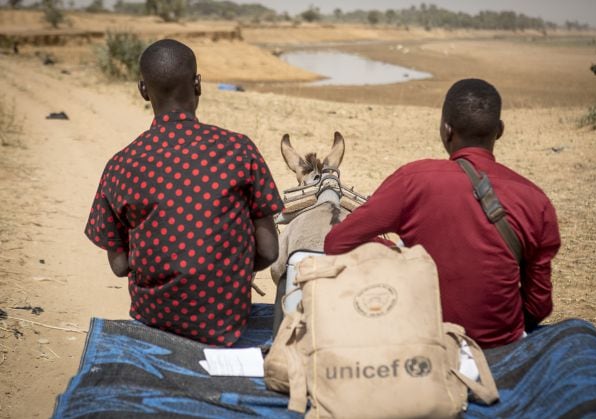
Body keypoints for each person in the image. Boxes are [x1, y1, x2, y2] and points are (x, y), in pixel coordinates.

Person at [324, 79, 561, 348]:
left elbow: (336, 243)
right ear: (500, 130)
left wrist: (393, 250)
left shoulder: (413, 179)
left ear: (446, 130)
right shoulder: (535, 200)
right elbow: (538, 306)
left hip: (424, 340)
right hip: (498, 345)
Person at [85, 39, 283, 346]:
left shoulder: (120, 165)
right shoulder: (239, 149)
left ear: (143, 90)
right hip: (228, 319)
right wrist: (232, 270)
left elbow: (119, 265)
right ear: (198, 84)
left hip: (153, 318)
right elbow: (270, 251)